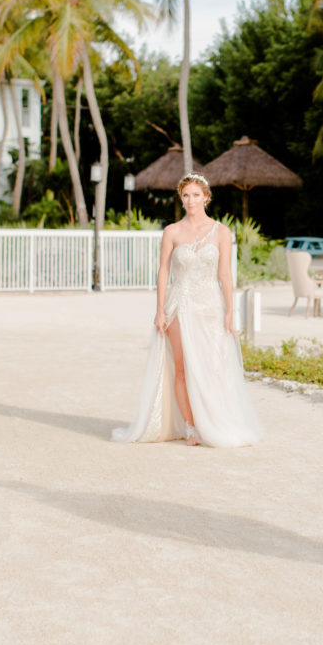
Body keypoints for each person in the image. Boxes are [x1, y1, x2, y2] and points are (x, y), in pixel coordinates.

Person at [112, 173, 262, 447]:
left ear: (206, 197)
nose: (191, 200)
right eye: (186, 196)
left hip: (211, 307)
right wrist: (159, 310)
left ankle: (215, 422)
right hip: (179, 305)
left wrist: (230, 312)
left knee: (212, 367)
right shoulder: (172, 231)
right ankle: (191, 427)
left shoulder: (221, 232)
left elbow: (226, 275)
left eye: (196, 195)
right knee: (182, 368)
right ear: (181, 199)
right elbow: (163, 272)